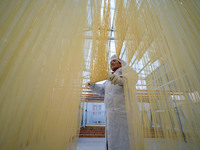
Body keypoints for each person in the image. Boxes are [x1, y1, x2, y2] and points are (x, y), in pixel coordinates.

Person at [87, 54, 138, 150]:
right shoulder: (110, 78)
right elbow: (102, 90)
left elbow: (133, 78)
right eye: (111, 62)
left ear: (121, 62)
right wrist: (93, 85)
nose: (112, 63)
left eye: (114, 61)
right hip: (111, 114)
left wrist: (120, 80)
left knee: (123, 139)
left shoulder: (126, 70)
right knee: (112, 138)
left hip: (123, 113)